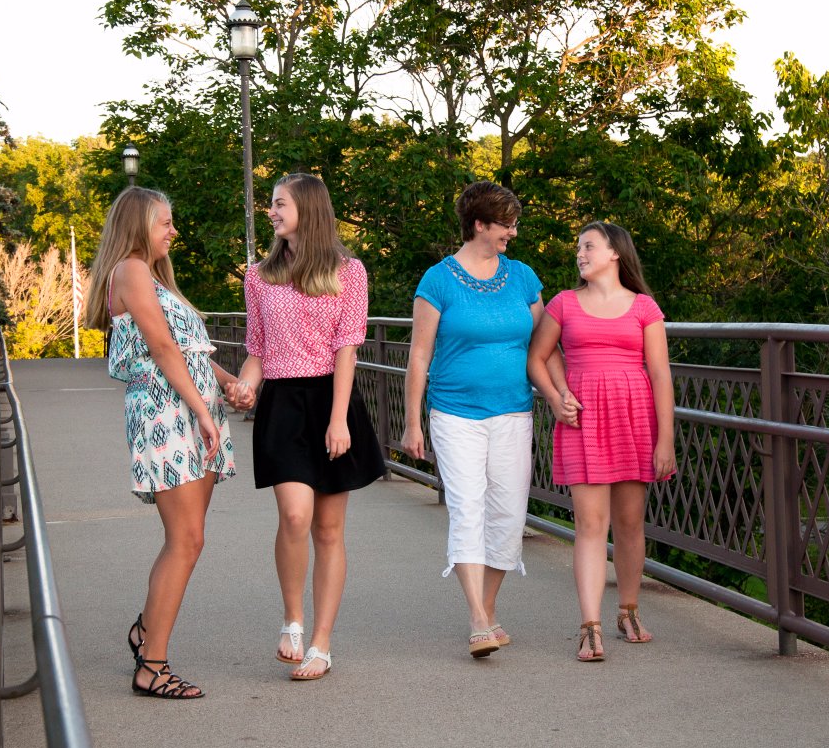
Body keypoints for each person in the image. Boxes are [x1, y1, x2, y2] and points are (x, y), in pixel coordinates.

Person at [85, 186, 242, 698]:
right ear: (137, 226)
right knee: (187, 540)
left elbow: (191, 351)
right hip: (167, 414)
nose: (173, 231)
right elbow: (160, 347)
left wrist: (227, 384)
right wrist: (202, 411)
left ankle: (145, 631)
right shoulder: (129, 270)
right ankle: (151, 665)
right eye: (164, 223)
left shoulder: (153, 277)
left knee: (187, 539)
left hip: (193, 409)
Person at [233, 173, 386, 681]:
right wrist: (246, 385)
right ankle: (292, 621)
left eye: (279, 204)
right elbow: (257, 347)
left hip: (331, 400)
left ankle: (322, 644)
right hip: (282, 403)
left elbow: (348, 350)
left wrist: (340, 419)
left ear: (308, 208)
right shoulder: (259, 275)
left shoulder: (350, 271)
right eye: (272, 204)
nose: (272, 211)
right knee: (295, 516)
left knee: (328, 528)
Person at [401, 181, 545, 658]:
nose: (514, 233)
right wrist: (412, 422)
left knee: (508, 513)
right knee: (467, 507)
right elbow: (419, 356)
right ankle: (478, 619)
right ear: (480, 225)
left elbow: (543, 349)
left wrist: (560, 394)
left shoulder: (523, 277)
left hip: (514, 411)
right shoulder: (437, 280)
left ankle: (487, 607)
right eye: (507, 224)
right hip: (455, 412)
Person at [527, 221, 676, 662]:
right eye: (578, 247)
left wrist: (665, 439)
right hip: (583, 422)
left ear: (615, 253)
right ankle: (589, 624)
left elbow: (661, 375)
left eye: (589, 246)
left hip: (634, 420)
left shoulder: (644, 307)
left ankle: (628, 610)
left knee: (630, 524)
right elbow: (536, 357)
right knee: (591, 526)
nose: (580, 253)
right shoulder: (564, 304)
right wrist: (555, 399)